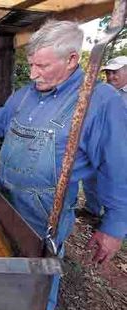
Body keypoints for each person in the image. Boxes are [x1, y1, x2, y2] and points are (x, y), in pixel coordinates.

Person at [0, 20, 127, 310]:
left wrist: (113, 227)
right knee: (4, 266)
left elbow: (117, 168)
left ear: (72, 59)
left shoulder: (100, 101)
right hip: (5, 199)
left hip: (44, 212)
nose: (34, 73)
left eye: (43, 66)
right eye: (32, 64)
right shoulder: (25, 95)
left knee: (35, 286)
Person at [82, 55, 127, 215]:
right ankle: (92, 210)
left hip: (120, 147)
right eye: (108, 73)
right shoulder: (100, 93)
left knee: (116, 183)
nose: (111, 76)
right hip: (96, 144)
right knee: (91, 178)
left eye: (115, 72)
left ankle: (114, 220)